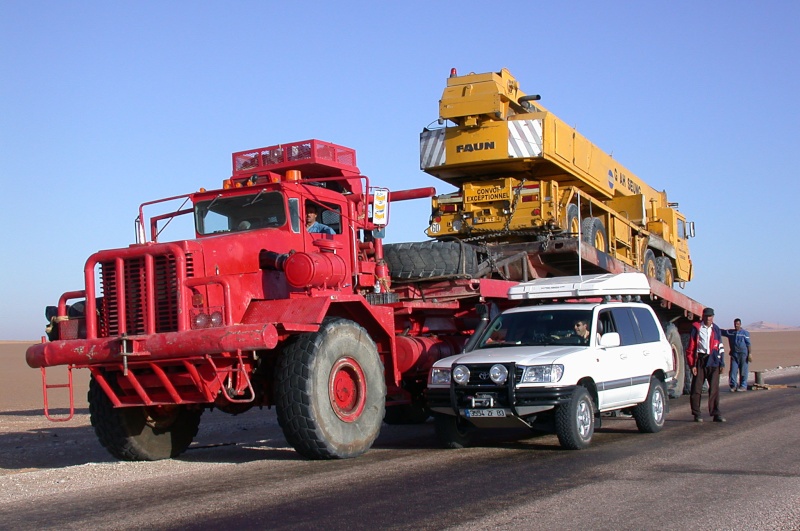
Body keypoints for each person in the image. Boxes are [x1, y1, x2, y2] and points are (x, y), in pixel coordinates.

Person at [686, 307, 726, 422]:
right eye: (707, 316)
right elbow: (691, 347)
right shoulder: (697, 328)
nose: (709, 318)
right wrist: (692, 365)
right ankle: (696, 413)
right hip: (700, 361)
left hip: (714, 361)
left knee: (714, 389)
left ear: (713, 317)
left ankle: (715, 413)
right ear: (703, 316)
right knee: (696, 389)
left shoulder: (716, 329)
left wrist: (722, 363)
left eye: (711, 316)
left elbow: (720, 346)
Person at [722, 318, 752, 392]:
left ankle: (743, 386)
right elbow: (721, 331)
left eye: (738, 324)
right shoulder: (731, 332)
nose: (736, 325)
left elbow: (748, 344)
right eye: (735, 324)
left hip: (743, 354)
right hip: (734, 354)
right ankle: (733, 386)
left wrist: (750, 354)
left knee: (743, 371)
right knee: (733, 371)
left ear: (740, 324)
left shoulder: (745, 333)